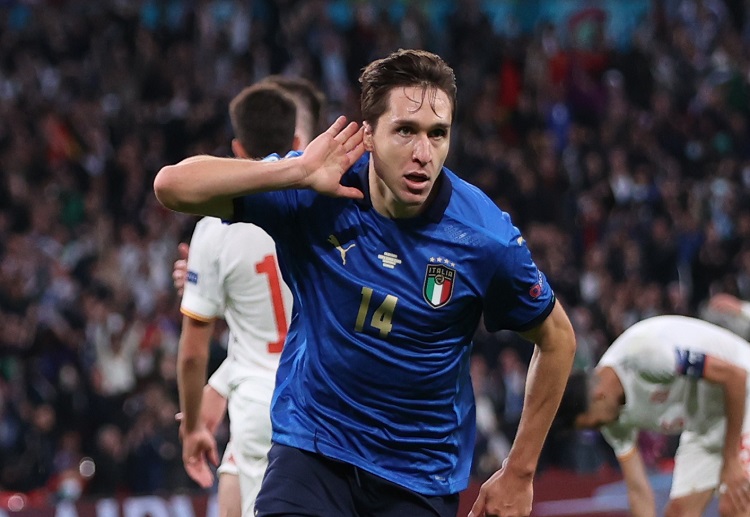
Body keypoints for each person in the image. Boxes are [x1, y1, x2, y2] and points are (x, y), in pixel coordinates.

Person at [155, 48, 576, 517]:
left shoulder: (482, 238)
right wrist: (293, 171)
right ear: (369, 133)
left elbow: (557, 338)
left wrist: (519, 471)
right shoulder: (316, 188)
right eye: (405, 131)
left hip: (418, 473)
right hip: (313, 448)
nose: (423, 154)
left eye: (438, 135)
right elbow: (171, 186)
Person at [176, 81, 298, 517]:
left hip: (258, 404)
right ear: (298, 142)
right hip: (318, 394)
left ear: (235, 148)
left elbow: (192, 353)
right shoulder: (319, 207)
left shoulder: (215, 227)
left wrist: (191, 425)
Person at [556, 315, 750, 517]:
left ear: (598, 396)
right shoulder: (611, 419)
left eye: (594, 424)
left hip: (743, 397)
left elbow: (735, 377)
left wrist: (732, 459)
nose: (598, 428)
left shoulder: (646, 355)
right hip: (705, 425)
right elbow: (638, 489)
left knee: (736, 506)